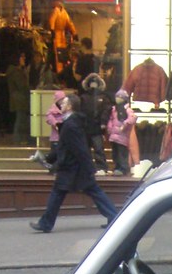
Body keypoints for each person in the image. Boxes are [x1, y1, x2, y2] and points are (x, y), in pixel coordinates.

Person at [30, 94, 118, 234]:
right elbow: (65, 146)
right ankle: (114, 217)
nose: (61, 105)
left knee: (59, 192)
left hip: (73, 167)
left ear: (70, 106)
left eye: (64, 103)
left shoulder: (70, 125)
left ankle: (46, 223)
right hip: (75, 167)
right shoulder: (72, 122)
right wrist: (49, 158)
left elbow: (79, 148)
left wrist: (88, 167)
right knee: (93, 192)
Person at [79, 72, 113, 173]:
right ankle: (87, 167)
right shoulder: (83, 97)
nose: (93, 85)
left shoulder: (104, 97)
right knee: (86, 149)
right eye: (91, 82)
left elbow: (106, 110)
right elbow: (80, 111)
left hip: (97, 128)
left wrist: (103, 122)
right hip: (86, 128)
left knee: (98, 149)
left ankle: (101, 167)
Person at [107, 89, 137, 176]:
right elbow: (111, 119)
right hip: (114, 135)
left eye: (119, 97)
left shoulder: (127, 109)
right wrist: (110, 127)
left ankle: (123, 168)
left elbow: (132, 118)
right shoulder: (114, 109)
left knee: (121, 153)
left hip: (122, 135)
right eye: (117, 97)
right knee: (115, 153)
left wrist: (125, 124)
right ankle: (117, 167)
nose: (117, 99)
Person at [5, 52, 31, 144]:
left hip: (17, 98)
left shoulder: (13, 71)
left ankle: (19, 138)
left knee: (21, 118)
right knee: (20, 119)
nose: (24, 59)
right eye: (22, 57)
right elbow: (22, 85)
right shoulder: (16, 72)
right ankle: (18, 139)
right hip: (20, 99)